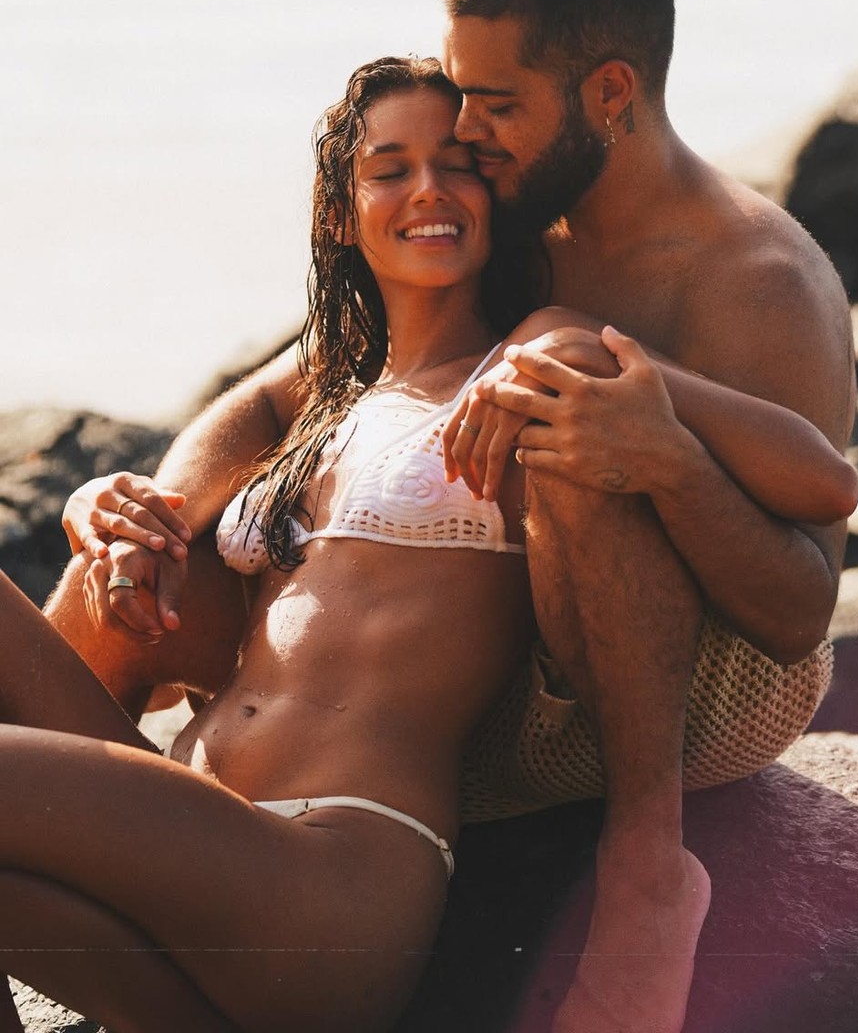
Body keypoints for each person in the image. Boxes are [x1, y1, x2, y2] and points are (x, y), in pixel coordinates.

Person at [48, 0, 858, 1033]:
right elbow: (294, 386)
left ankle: (640, 870)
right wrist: (151, 505)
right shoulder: (512, 215)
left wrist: (665, 453)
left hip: (698, 667)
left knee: (567, 416)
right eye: (459, 105)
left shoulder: (752, 279)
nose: (469, 139)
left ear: (609, 95)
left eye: (496, 107)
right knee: (144, 563)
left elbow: (803, 597)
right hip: (432, 677)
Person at [1, 57, 546, 1032]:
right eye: (389, 167)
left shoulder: (528, 353)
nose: (428, 187)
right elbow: (211, 444)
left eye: (458, 162)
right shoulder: (332, 385)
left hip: (325, 878)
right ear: (340, 211)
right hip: (197, 832)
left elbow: (602, 370)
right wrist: (121, 511)